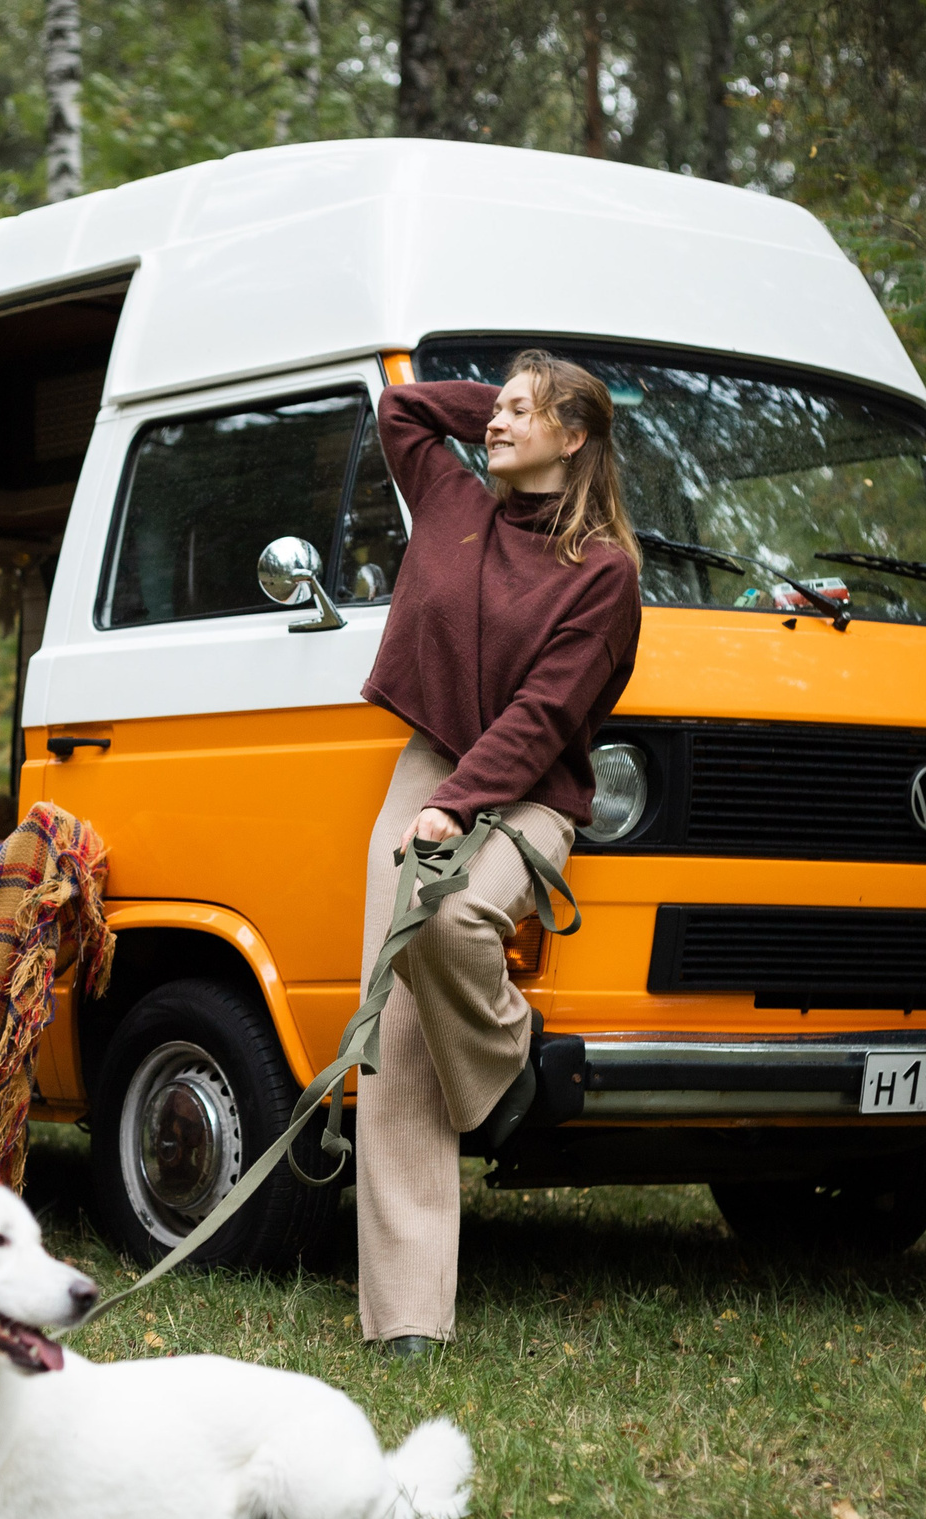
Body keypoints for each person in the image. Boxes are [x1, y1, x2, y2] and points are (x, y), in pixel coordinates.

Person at [355, 351, 644, 1357]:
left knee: (448, 916)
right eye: (498, 409)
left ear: (577, 438)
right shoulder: (449, 494)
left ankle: (508, 1067)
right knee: (392, 1051)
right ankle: (406, 1322)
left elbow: (542, 716)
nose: (500, 423)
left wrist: (457, 804)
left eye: (530, 413)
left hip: (527, 789)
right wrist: (514, 403)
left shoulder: (602, 573)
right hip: (425, 763)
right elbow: (401, 408)